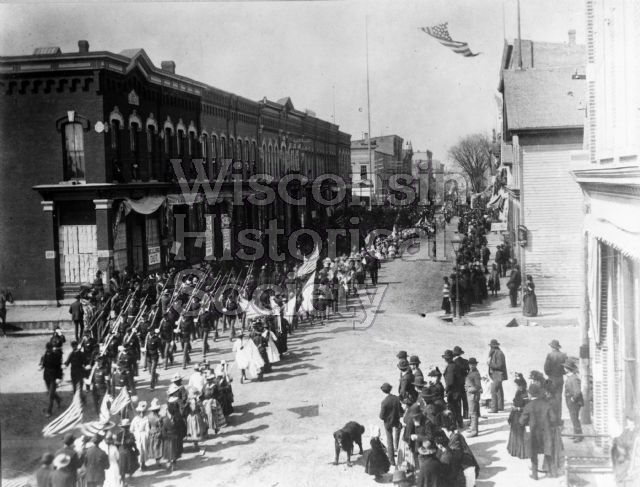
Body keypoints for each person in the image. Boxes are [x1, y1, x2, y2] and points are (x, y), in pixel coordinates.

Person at [519, 383, 559, 480]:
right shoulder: (547, 404)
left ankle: (535, 475)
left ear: (531, 394)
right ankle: (552, 473)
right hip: (546, 433)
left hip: (533, 434)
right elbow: (554, 419)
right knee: (548, 452)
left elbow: (521, 421)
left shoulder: (528, 406)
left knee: (533, 453)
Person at [507, 373, 530, 459]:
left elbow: (527, 408)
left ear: (521, 385)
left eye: (517, 385)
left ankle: (521, 452)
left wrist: (518, 408)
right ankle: (515, 450)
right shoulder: (518, 392)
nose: (516, 387)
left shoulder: (525, 395)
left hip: (521, 417)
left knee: (520, 435)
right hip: (515, 416)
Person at [379, 382, 402, 466]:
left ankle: (392, 461)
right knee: (398, 437)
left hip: (388, 423)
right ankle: (398, 450)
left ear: (383, 391)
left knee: (389, 441)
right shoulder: (396, 398)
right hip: (396, 421)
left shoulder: (384, 402)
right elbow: (400, 411)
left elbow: (381, 416)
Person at [544, 339, 566, 421]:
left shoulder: (549, 355)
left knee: (551, 398)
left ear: (552, 347)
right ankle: (558, 418)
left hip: (551, 379)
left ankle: (552, 418)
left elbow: (546, 368)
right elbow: (565, 368)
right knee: (559, 398)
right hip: (560, 379)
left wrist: (549, 374)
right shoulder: (563, 355)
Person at [442, 349, 464, 428]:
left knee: (452, 407)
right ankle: (460, 423)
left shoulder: (450, 367)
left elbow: (450, 382)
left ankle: (454, 424)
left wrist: (446, 390)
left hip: (452, 391)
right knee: (457, 407)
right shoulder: (455, 365)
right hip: (457, 390)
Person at [563, 359, 584, 443]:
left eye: (565, 367)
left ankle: (579, 436)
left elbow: (578, 391)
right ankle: (576, 434)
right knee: (573, 418)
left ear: (568, 369)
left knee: (575, 419)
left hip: (574, 402)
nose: (564, 368)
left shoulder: (574, 379)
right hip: (571, 401)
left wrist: (573, 399)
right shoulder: (571, 377)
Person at [41, 342, 63, 417]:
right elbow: (43, 364)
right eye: (47, 349)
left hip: (54, 377)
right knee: (50, 392)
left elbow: (59, 368)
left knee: (50, 395)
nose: (48, 350)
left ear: (52, 348)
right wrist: (41, 366)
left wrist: (59, 378)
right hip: (47, 376)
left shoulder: (56, 356)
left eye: (49, 349)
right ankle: (58, 399)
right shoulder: (45, 355)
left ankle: (49, 411)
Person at [116, 419, 139, 486]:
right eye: (124, 427)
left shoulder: (129, 434)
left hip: (124, 451)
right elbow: (117, 443)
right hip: (125, 451)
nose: (125, 429)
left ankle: (126, 477)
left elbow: (133, 443)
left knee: (124, 466)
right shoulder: (121, 434)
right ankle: (123, 480)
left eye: (125, 427)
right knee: (124, 466)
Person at [487, 339, 507, 413]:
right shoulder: (496, 352)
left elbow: (500, 365)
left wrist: (490, 364)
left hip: (498, 374)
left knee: (493, 390)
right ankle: (500, 406)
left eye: (491, 346)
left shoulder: (498, 353)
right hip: (497, 375)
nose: (490, 348)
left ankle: (494, 409)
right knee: (498, 390)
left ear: (493, 347)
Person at [464, 358, 482, 437]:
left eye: (473, 364)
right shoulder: (471, 372)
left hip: (473, 395)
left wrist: (468, 389)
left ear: (476, 365)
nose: (471, 366)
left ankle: (474, 431)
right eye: (470, 364)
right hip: (471, 395)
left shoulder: (476, 373)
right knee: (472, 413)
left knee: (473, 413)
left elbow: (478, 387)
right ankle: (472, 428)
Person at [130, 402, 150, 471]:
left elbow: (147, 429)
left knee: (143, 450)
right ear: (138, 412)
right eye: (140, 412)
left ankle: (143, 464)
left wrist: (146, 435)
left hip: (143, 437)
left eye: (143, 412)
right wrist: (134, 435)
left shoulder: (146, 419)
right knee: (138, 450)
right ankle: (139, 464)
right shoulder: (135, 419)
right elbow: (131, 429)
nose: (141, 414)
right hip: (137, 437)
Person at [452, 346, 470, 421]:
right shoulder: (466, 361)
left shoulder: (453, 363)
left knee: (458, 401)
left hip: (457, 384)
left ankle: (459, 416)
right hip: (465, 382)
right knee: (465, 399)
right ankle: (466, 415)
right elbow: (469, 371)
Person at [146, 399, 163, 467]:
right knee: (158, 446)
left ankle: (156, 459)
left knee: (153, 446)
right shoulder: (159, 417)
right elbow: (160, 426)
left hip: (151, 432)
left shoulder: (149, 416)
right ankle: (158, 461)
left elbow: (149, 426)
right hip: (157, 432)